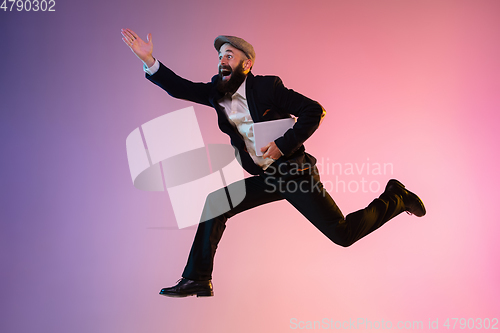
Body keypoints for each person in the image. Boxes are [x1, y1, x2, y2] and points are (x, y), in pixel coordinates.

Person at [121, 28, 426, 298]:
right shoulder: (216, 92)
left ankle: (395, 197)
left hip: (294, 173)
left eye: (229, 55)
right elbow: (180, 88)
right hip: (267, 176)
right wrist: (150, 61)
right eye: (219, 57)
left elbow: (313, 110)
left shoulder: (266, 88)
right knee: (216, 203)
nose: (222, 61)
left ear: (246, 63)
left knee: (343, 235)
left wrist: (282, 145)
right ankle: (197, 279)